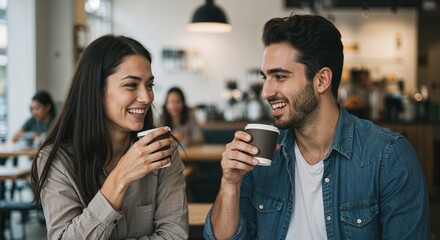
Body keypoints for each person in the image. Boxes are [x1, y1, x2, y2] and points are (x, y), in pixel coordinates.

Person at [203, 14, 430, 239]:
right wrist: (230, 184)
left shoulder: (388, 157)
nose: (266, 92)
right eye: (266, 78)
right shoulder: (261, 156)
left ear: (321, 80)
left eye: (280, 76)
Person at [30, 35, 189, 239]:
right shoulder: (57, 161)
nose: (147, 97)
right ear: (96, 90)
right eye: (131, 85)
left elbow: (175, 235)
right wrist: (120, 178)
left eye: (149, 85)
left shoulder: (163, 150)